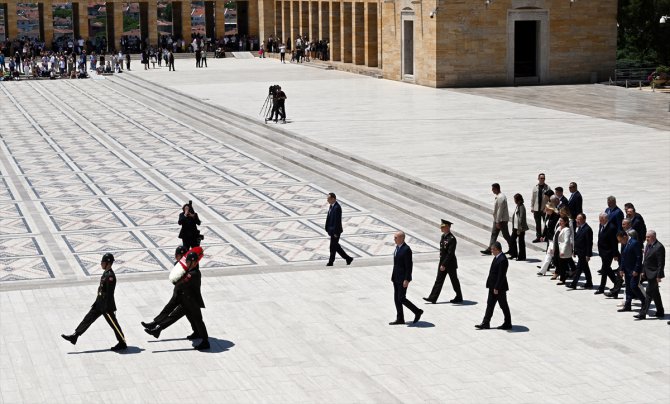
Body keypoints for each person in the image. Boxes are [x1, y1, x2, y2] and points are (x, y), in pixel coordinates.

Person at [61, 253, 127, 351]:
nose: (101, 264)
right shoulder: (106, 273)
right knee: (87, 319)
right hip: (99, 303)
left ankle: (122, 343)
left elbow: (109, 294)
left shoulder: (110, 276)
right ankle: (75, 336)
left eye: (103, 262)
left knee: (114, 324)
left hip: (106, 306)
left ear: (108, 263)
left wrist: (108, 307)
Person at [145, 252, 209, 350]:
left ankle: (205, 342)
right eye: (187, 261)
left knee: (198, 321)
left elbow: (181, 284)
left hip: (193, 303)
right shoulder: (189, 271)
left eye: (188, 261)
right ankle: (157, 329)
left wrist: (176, 279)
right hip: (186, 301)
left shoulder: (193, 274)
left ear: (194, 263)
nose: (186, 263)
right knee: (173, 316)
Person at [140, 246, 199, 340]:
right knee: (170, 310)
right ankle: (155, 324)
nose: (181, 258)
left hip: (186, 297)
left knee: (177, 316)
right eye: (179, 255)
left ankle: (157, 328)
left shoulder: (190, 267)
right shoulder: (178, 265)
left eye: (182, 255)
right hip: (179, 295)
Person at [423, 219, 462, 304]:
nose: (441, 228)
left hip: (450, 264)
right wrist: (442, 263)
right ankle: (432, 298)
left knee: (454, 280)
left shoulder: (452, 239)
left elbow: (450, 253)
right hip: (443, 262)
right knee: (439, 280)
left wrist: (444, 264)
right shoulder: (443, 236)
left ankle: (459, 296)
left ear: (447, 227)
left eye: (443, 227)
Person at [475, 242, 512, 330]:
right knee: (490, 305)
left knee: (503, 305)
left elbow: (501, 276)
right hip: (493, 287)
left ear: (496, 249)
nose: (491, 251)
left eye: (492, 249)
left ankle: (508, 323)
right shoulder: (497, 257)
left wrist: (496, 287)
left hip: (499, 288)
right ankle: (485, 323)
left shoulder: (503, 259)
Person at [389, 231, 423, 325]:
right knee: (396, 299)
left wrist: (407, 279)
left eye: (396, 237)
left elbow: (409, 266)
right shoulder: (397, 248)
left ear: (402, 238)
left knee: (401, 298)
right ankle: (400, 318)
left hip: (403, 279)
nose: (394, 239)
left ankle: (417, 311)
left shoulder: (406, 249)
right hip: (396, 277)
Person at [635, 231, 665, 319]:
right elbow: (645, 260)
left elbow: (661, 263)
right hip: (648, 272)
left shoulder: (659, 247)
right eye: (646, 237)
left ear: (654, 237)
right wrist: (643, 271)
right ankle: (660, 311)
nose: (646, 239)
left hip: (654, 274)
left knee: (648, 293)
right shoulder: (648, 245)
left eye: (648, 237)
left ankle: (642, 313)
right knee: (655, 293)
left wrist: (659, 276)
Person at [615, 231, 645, 312]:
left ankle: (644, 301)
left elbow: (639, 257)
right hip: (627, 270)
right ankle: (627, 305)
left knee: (634, 286)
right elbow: (623, 258)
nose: (620, 242)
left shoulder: (634, 243)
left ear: (625, 236)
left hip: (633, 271)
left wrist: (636, 269)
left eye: (621, 240)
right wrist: (621, 269)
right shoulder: (625, 244)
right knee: (628, 288)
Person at [324, 193, 353, 266]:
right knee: (336, 246)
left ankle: (331, 262)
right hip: (331, 230)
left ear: (333, 199)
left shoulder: (337, 207)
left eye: (328, 199)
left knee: (332, 247)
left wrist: (335, 232)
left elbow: (337, 221)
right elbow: (329, 217)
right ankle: (348, 258)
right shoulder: (331, 206)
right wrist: (327, 228)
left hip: (335, 231)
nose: (327, 200)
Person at [481, 183, 510, 255]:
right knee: (494, 234)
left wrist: (497, 221)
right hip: (497, 220)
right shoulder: (498, 197)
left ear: (496, 189)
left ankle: (512, 248)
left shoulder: (501, 197)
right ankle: (490, 249)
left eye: (493, 189)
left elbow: (500, 210)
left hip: (501, 220)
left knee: (506, 235)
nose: (492, 190)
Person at [596, 212, 621, 295]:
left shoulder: (611, 228)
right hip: (602, 252)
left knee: (604, 270)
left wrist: (615, 254)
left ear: (606, 219)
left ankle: (601, 288)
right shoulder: (601, 225)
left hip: (608, 252)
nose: (600, 221)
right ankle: (617, 282)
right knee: (607, 269)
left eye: (601, 219)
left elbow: (614, 242)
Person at [567, 213, 594, 289]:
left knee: (578, 269)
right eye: (577, 219)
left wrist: (588, 255)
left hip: (584, 253)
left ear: (584, 220)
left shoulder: (587, 229)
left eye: (579, 219)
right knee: (585, 268)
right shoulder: (579, 228)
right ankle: (589, 282)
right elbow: (577, 240)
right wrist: (574, 251)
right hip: (579, 252)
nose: (577, 221)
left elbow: (589, 243)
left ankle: (573, 284)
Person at [537, 205, 560, 276]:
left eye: (547, 209)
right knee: (549, 254)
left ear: (551, 209)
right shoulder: (548, 216)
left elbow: (554, 228)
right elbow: (546, 227)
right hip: (550, 239)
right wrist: (543, 236)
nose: (545, 211)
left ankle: (559, 271)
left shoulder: (556, 216)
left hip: (555, 239)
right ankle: (543, 270)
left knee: (553, 255)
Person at [531, 173, 550, 243]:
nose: (542, 179)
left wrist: (547, 208)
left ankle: (546, 237)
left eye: (543, 178)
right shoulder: (535, 187)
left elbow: (549, 199)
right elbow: (533, 198)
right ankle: (538, 237)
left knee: (546, 223)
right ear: (538, 179)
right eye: (541, 178)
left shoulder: (547, 188)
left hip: (544, 209)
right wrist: (532, 207)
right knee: (537, 224)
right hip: (536, 209)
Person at [554, 216, 574, 285]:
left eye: (561, 221)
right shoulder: (559, 228)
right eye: (559, 221)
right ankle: (569, 273)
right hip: (557, 248)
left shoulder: (567, 229)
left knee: (562, 265)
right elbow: (555, 238)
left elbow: (566, 241)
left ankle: (562, 279)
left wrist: (562, 251)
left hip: (563, 250)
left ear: (565, 222)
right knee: (559, 263)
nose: (560, 222)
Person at [509, 193, 528, 261]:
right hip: (515, 227)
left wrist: (519, 229)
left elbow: (521, 218)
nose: (514, 201)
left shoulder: (522, 207)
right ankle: (514, 254)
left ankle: (521, 256)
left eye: (515, 199)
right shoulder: (518, 206)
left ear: (518, 200)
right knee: (512, 240)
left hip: (520, 228)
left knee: (521, 242)